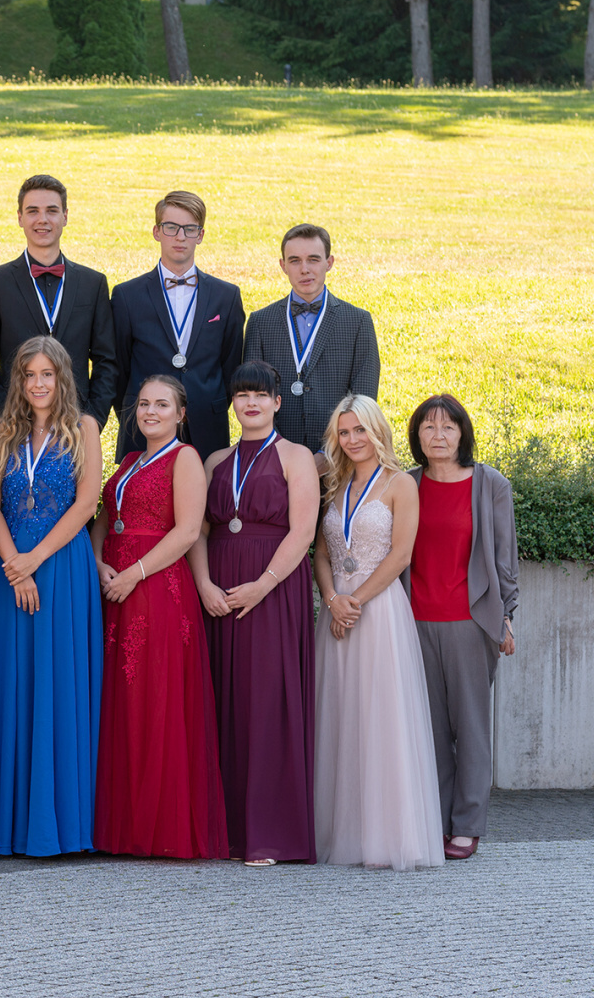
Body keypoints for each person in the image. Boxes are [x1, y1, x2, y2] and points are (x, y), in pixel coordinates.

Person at [90, 374, 228, 859]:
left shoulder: (185, 458)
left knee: (154, 696)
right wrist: (98, 563)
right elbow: (103, 520)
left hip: (157, 588)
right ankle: (121, 823)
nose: (151, 411)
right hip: (114, 586)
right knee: (120, 700)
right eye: (144, 403)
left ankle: (159, 826)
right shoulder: (128, 460)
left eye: (162, 404)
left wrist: (134, 574)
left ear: (181, 413)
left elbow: (188, 531)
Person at [189, 360, 320, 866]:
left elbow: (302, 531)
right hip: (220, 588)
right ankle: (226, 833)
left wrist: (262, 586)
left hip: (272, 588)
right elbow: (198, 529)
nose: (251, 403)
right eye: (243, 395)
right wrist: (204, 583)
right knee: (223, 701)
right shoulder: (215, 460)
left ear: (277, 402)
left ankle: (270, 834)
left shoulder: (296, 456)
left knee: (267, 702)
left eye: (260, 395)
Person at [0, 336, 105, 858]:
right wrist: (16, 565)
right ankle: (7, 826)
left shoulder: (85, 428)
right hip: (9, 569)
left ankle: (62, 825)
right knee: (10, 683)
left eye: (46, 374)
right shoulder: (1, 431)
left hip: (62, 568)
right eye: (28, 374)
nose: (37, 383)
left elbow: (87, 502)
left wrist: (36, 559)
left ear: (62, 378)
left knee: (58, 684)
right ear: (18, 380)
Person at [312, 395, 445, 870]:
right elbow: (321, 554)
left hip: (379, 610)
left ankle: (387, 837)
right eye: (344, 432)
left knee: (381, 718)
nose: (352, 440)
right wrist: (333, 599)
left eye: (360, 430)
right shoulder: (333, 483)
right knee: (340, 717)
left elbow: (400, 555)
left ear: (377, 431)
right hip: (335, 613)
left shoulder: (400, 484)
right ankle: (341, 833)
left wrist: (356, 602)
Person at [402, 394, 517, 861]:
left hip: (470, 622)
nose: (439, 436)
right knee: (427, 728)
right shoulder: (406, 484)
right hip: (413, 620)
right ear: (417, 436)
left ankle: (467, 825)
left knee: (470, 727)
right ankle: (436, 820)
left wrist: (507, 617)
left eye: (448, 427)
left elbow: (505, 559)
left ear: (462, 433)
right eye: (428, 427)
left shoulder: (490, 484)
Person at [0, 174, 115, 431]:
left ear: (65, 216)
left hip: (76, 423)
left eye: (52, 211)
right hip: (15, 424)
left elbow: (107, 361)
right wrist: (3, 419)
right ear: (20, 218)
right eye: (33, 211)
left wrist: (92, 419)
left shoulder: (93, 283)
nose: (42, 219)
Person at [109, 191, 246, 460]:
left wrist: (206, 402)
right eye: (171, 227)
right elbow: (119, 368)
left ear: (201, 235)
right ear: (157, 232)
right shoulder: (127, 295)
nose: (180, 237)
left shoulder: (226, 296)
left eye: (189, 229)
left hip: (207, 428)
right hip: (145, 427)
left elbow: (231, 366)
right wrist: (139, 408)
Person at [241, 224, 381, 453]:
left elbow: (363, 400)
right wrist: (279, 453)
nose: (304, 269)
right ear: (283, 266)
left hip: (340, 456)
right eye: (295, 261)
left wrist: (330, 454)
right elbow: (252, 395)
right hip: (275, 454)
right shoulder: (260, 322)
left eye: (313, 260)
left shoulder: (357, 321)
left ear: (329, 262)